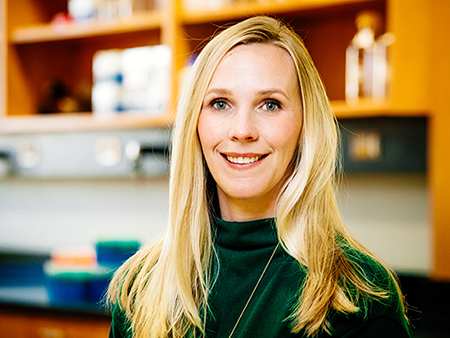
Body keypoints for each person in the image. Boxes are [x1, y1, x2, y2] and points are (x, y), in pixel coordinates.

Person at [107, 16, 412, 338]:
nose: (242, 131)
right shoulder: (141, 286)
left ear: (305, 126)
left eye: (270, 104)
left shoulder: (358, 296)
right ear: (194, 124)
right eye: (220, 103)